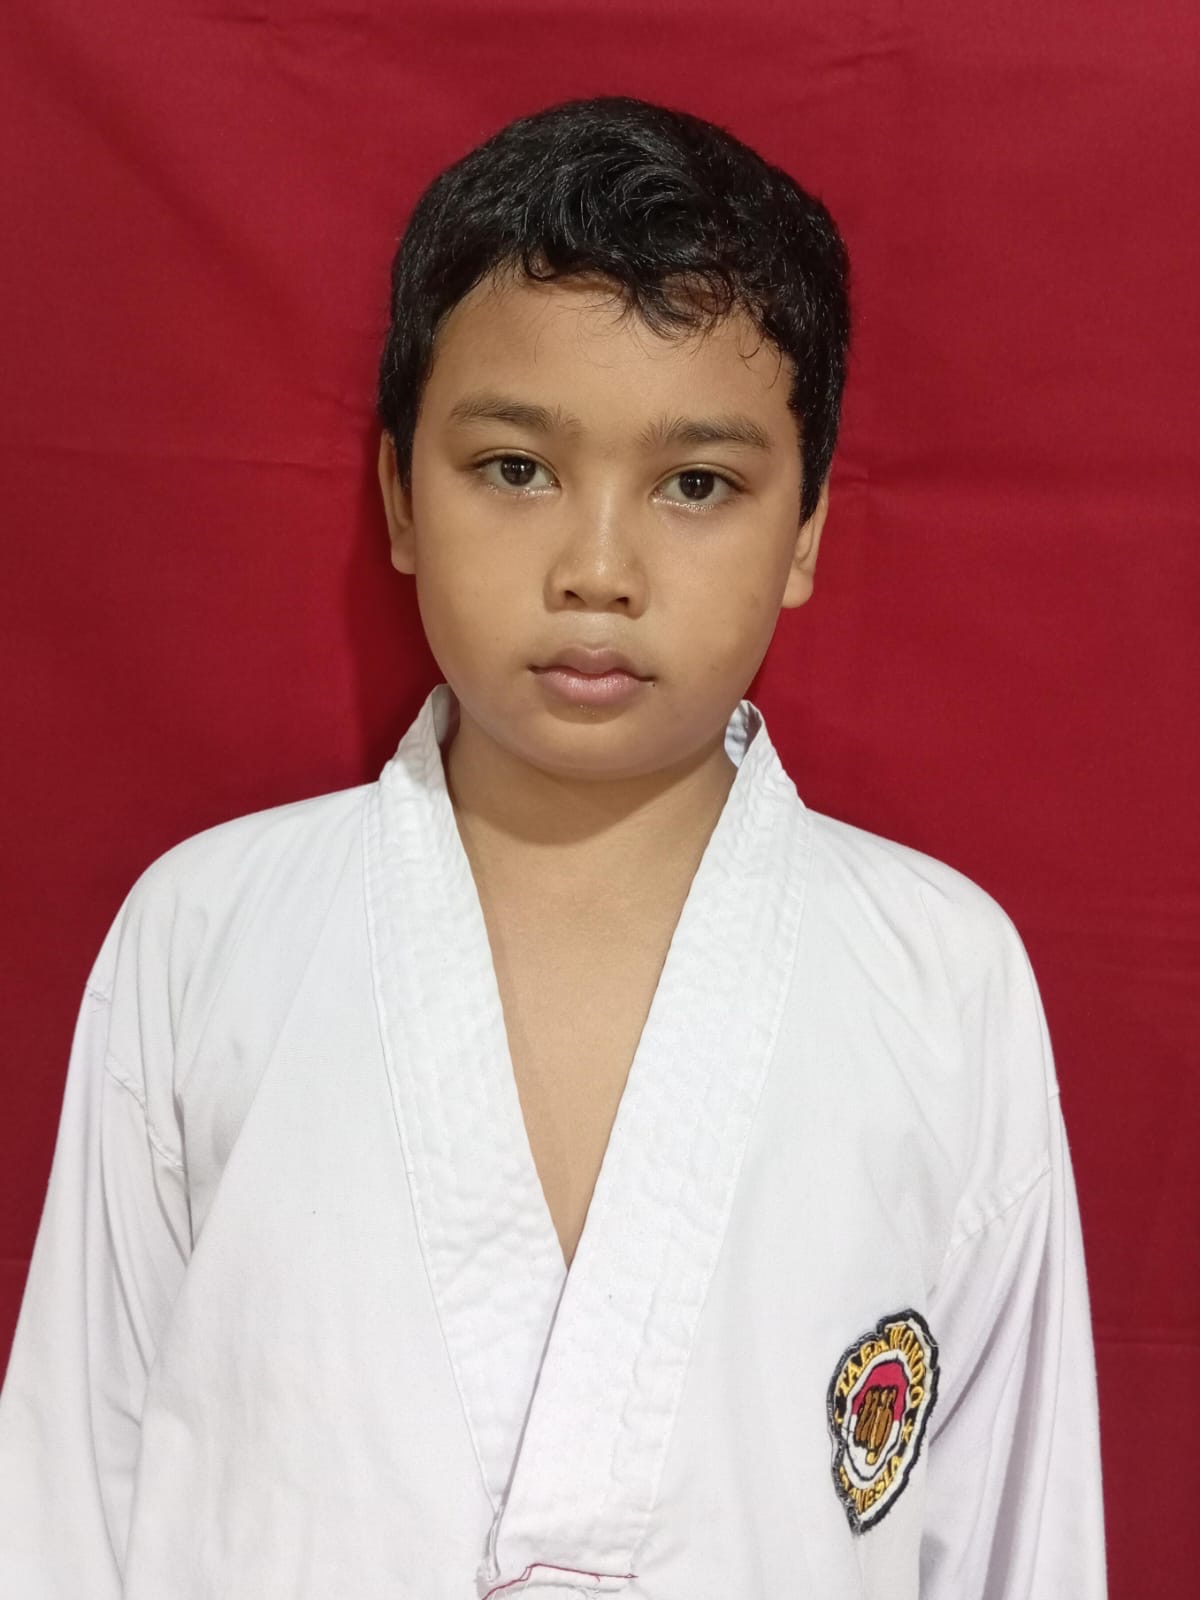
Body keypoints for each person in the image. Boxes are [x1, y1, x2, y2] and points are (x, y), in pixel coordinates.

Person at [0, 95, 1107, 1598]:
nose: (596, 570)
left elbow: (1015, 1542)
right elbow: (66, 1501)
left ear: (804, 532)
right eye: (515, 468)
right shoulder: (206, 937)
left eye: (698, 485)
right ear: (401, 494)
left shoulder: (943, 978)